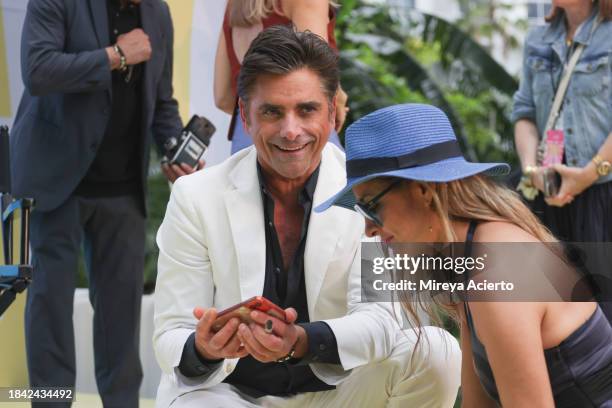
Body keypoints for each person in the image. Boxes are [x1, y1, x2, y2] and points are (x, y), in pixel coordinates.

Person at [153, 26, 460, 408]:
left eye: (307, 109)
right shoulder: (195, 195)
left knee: (435, 349)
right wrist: (204, 348)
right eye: (272, 112)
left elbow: (383, 319)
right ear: (246, 118)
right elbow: (170, 334)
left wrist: (302, 340)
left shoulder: (367, 192)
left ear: (332, 114)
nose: (291, 130)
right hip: (229, 395)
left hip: (337, 395)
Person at [316, 103, 612, 407]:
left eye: (371, 207)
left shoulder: (498, 270)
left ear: (423, 191)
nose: (368, 230)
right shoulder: (469, 260)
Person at [9, 0, 197, 405]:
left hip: (123, 188)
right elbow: (38, 70)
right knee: (49, 307)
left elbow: (161, 101)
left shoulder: (157, 13)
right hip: (55, 180)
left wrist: (173, 148)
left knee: (121, 314)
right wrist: (115, 56)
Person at [513, 0, 612, 321]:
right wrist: (532, 170)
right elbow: (524, 112)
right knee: (555, 304)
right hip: (549, 192)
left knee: (604, 306)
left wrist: (589, 172)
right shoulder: (539, 39)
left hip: (602, 193)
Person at [213, 0, 348, 154]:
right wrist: (339, 100)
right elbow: (319, 71)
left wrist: (267, 112)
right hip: (302, 132)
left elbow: (223, 97)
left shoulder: (236, 6)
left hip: (248, 136)